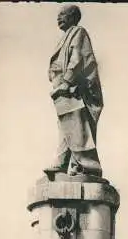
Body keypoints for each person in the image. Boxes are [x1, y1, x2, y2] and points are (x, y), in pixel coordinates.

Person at [47, 4, 103, 177]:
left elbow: (78, 58)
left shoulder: (78, 32)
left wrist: (66, 81)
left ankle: (87, 165)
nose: (59, 17)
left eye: (63, 14)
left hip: (75, 90)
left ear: (73, 17)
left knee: (77, 124)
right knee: (67, 125)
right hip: (64, 90)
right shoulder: (65, 37)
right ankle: (64, 162)